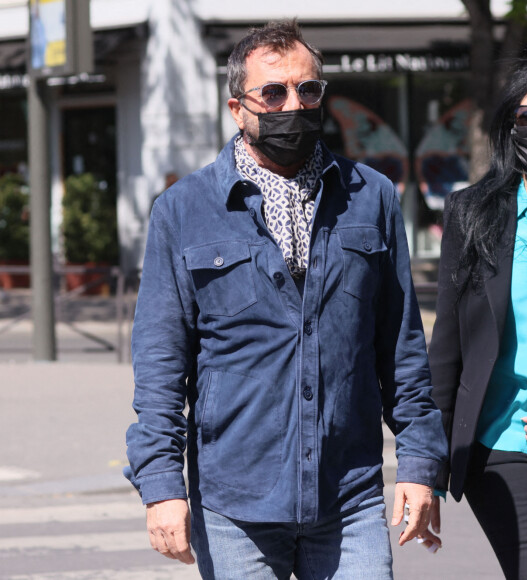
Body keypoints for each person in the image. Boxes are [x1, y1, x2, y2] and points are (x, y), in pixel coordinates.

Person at [125, 19, 447, 579]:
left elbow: (402, 350)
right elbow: (159, 365)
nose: (292, 105)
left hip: (350, 492)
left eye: (308, 90)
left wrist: (420, 464)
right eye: (273, 93)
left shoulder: (370, 197)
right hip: (235, 500)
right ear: (237, 108)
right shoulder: (182, 211)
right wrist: (160, 487)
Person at [428, 50, 527, 580]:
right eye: (526, 118)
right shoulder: (473, 214)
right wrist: (425, 471)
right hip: (505, 443)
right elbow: (446, 348)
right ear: (507, 125)